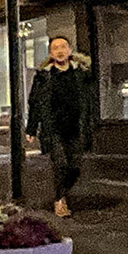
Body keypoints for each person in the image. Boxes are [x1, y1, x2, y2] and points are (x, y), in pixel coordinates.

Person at [27, 33, 94, 217]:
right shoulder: (44, 76)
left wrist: (89, 123)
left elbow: (90, 100)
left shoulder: (81, 74)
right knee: (60, 163)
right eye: (55, 48)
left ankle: (62, 193)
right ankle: (59, 200)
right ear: (50, 54)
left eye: (63, 47)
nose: (59, 51)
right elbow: (35, 103)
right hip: (53, 128)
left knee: (75, 167)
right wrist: (31, 128)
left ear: (70, 50)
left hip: (75, 127)